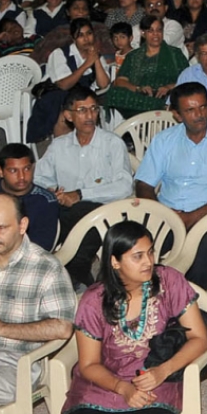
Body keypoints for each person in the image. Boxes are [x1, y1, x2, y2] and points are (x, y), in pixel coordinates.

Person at [57, 221, 203, 414]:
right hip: (105, 378)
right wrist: (123, 389)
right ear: (115, 261)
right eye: (137, 256)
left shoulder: (170, 282)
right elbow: (89, 364)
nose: (149, 261)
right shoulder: (94, 300)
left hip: (156, 373)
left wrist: (163, 370)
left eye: (150, 252)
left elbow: (200, 339)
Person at [134, 84, 207, 290]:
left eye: (203, 107)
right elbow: (144, 185)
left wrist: (192, 217)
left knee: (201, 255)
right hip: (167, 214)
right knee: (135, 249)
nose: (199, 115)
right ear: (177, 115)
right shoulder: (164, 141)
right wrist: (165, 214)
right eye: (190, 110)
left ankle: (189, 305)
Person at [33, 87, 135, 286]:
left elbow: (124, 186)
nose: (90, 116)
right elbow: (38, 177)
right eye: (82, 110)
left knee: (81, 212)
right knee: (38, 206)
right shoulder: (59, 146)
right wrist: (55, 190)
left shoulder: (112, 143)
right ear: (68, 116)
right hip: (65, 207)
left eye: (94, 109)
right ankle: (65, 266)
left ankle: (72, 268)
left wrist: (80, 194)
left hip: (104, 208)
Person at [0, 193, 75, 414]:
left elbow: (62, 328)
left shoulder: (46, 268)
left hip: (15, 364)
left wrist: (1, 328)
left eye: (1, 228)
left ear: (22, 225)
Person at [29, 17, 111, 141]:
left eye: (89, 34)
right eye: (81, 35)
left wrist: (96, 60)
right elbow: (63, 85)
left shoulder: (96, 56)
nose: (86, 39)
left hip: (81, 99)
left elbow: (104, 84)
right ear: (73, 38)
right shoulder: (59, 54)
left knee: (81, 107)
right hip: (58, 96)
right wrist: (86, 64)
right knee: (65, 117)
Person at [102, 16, 187, 118]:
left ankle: (162, 107)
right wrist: (138, 88)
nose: (155, 34)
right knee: (114, 93)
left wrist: (168, 87)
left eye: (159, 30)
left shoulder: (175, 54)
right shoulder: (133, 56)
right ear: (143, 33)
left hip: (167, 95)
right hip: (140, 96)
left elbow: (188, 78)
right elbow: (120, 81)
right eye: (150, 30)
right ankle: (158, 110)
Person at [0, 144, 60, 252]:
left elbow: (41, 246)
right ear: (0, 171)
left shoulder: (45, 201)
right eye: (13, 171)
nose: (21, 176)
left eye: (26, 169)